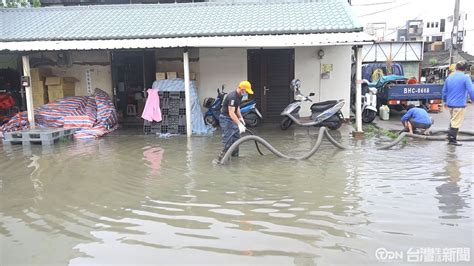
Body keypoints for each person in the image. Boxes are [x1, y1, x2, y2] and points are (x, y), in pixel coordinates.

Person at [217, 81, 254, 160]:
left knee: (236, 138)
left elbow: (237, 108)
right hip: (225, 119)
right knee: (228, 138)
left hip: (232, 118)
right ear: (242, 89)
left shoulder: (239, 96)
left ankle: (235, 158)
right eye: (246, 91)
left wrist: (240, 118)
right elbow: (231, 113)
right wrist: (239, 124)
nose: (247, 93)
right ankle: (223, 160)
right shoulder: (232, 97)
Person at [442, 61, 474, 146]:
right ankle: (452, 140)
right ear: (465, 69)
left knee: (453, 120)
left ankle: (449, 137)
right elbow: (471, 90)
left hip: (450, 104)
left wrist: (445, 101)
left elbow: (444, 91)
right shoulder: (465, 78)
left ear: (456, 68)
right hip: (459, 104)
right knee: (456, 121)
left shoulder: (449, 77)